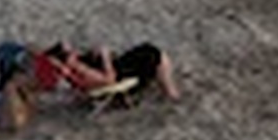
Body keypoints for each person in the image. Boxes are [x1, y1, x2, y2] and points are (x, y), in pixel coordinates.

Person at [44, 40, 180, 102]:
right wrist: (105, 57)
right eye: (70, 52)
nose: (74, 51)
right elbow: (109, 79)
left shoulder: (71, 70)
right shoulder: (80, 69)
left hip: (118, 68)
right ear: (68, 59)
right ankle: (171, 93)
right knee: (155, 54)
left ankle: (164, 86)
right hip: (121, 76)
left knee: (147, 52)